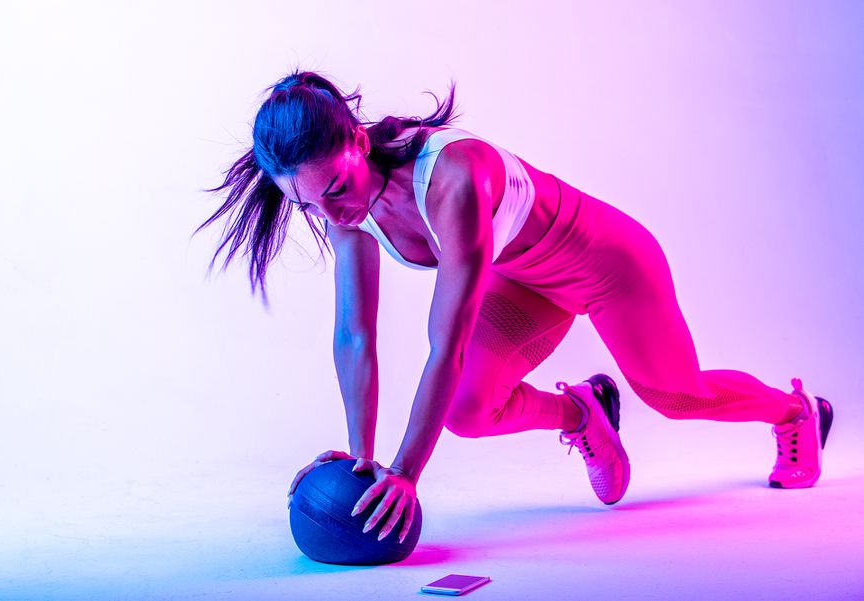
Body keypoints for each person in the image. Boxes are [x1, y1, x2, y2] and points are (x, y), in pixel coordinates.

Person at [196, 69, 834, 546]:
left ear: (358, 143)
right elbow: (354, 337)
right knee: (469, 412)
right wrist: (364, 460)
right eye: (310, 205)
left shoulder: (452, 175)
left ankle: (795, 410)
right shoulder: (345, 210)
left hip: (607, 264)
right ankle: (582, 412)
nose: (333, 213)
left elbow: (445, 342)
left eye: (336, 189)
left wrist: (406, 473)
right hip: (528, 286)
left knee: (675, 395)